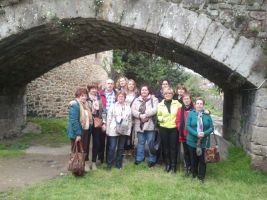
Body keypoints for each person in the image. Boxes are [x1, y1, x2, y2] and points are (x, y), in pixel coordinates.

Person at [186, 97, 214, 183]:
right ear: (195, 104)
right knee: (193, 159)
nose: (199, 105)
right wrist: (196, 133)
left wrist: (204, 133)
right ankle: (194, 174)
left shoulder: (207, 115)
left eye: (201, 104)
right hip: (192, 141)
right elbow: (188, 126)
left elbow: (212, 127)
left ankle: (201, 177)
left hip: (204, 142)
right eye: (197, 103)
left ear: (203, 105)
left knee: (203, 160)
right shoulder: (191, 114)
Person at [131, 85, 158, 168]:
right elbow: (133, 110)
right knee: (140, 142)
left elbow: (155, 109)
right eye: (142, 90)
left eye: (145, 90)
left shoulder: (154, 99)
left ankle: (152, 159)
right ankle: (140, 158)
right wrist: (140, 115)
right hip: (139, 124)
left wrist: (145, 114)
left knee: (151, 143)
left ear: (148, 91)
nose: (144, 91)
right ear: (140, 91)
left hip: (150, 124)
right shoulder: (136, 100)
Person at [67, 88, 93, 171]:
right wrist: (78, 134)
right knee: (76, 151)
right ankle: (75, 167)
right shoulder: (75, 105)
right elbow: (74, 121)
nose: (84, 97)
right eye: (82, 96)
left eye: (85, 95)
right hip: (77, 132)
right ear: (78, 96)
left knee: (83, 149)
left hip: (85, 131)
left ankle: (82, 165)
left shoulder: (85, 105)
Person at [157, 87, 181, 173]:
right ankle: (168, 164)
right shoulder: (160, 104)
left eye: (169, 93)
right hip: (164, 128)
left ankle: (174, 165)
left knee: (173, 147)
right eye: (166, 93)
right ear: (163, 95)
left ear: (172, 94)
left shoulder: (177, 103)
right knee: (165, 147)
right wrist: (161, 119)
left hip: (174, 129)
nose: (168, 95)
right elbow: (158, 115)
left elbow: (185, 110)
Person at [106, 91, 132, 170]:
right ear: (117, 97)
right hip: (113, 128)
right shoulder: (113, 106)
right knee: (112, 147)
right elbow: (109, 118)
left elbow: (130, 119)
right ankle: (109, 165)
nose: (121, 98)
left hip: (124, 129)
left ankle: (118, 164)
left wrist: (129, 130)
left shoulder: (128, 106)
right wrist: (107, 129)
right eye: (119, 96)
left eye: (122, 96)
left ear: (125, 98)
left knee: (121, 148)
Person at [98, 79, 117, 163]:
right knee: (101, 140)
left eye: (111, 84)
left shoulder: (116, 94)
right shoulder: (100, 94)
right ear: (105, 84)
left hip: (113, 120)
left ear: (113, 85)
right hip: (102, 119)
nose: (110, 85)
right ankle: (101, 158)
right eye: (108, 83)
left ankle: (109, 159)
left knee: (110, 141)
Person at [176, 92, 194, 176]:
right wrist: (181, 129)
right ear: (182, 100)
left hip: (193, 135)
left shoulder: (195, 109)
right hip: (184, 135)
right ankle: (188, 167)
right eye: (185, 99)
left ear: (190, 100)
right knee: (186, 152)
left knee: (192, 152)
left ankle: (194, 168)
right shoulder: (180, 109)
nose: (186, 101)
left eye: (188, 99)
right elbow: (178, 121)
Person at [87, 83, 104, 170]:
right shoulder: (86, 98)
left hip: (97, 122)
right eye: (92, 88)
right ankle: (86, 162)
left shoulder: (99, 98)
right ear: (89, 89)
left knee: (96, 143)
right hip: (88, 122)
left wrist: (103, 121)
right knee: (86, 143)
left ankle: (93, 162)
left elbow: (102, 110)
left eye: (95, 88)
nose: (94, 90)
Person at [124, 79, 139, 154]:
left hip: (134, 116)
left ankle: (131, 148)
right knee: (125, 132)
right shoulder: (124, 93)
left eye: (132, 84)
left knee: (132, 133)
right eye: (129, 84)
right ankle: (125, 148)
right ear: (127, 85)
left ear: (134, 85)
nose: (131, 86)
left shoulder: (137, 94)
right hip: (126, 116)